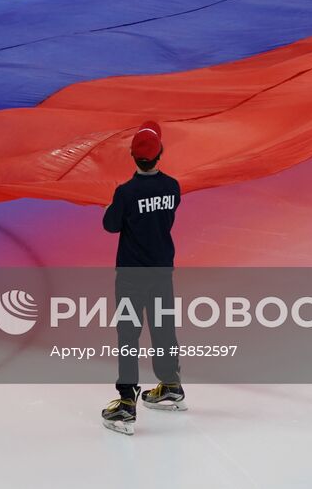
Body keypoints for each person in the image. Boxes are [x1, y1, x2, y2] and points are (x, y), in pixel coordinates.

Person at [100, 121, 185, 436]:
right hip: (162, 271)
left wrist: (115, 205)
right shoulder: (172, 187)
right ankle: (171, 384)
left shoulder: (125, 193)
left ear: (132, 157)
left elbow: (110, 225)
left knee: (128, 334)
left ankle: (126, 403)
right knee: (163, 328)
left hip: (132, 277)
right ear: (160, 152)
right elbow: (166, 215)